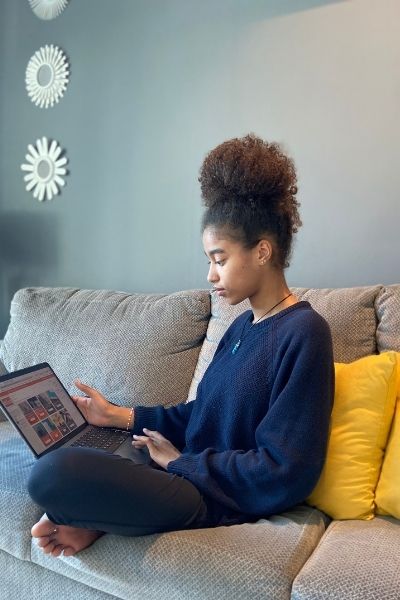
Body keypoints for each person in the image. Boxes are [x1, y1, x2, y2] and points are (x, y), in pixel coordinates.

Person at [29, 134, 334, 557]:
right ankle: (97, 520)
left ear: (262, 251)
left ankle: (91, 515)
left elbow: (287, 470)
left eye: (219, 258)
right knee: (67, 451)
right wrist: (117, 415)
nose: (210, 274)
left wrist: (178, 463)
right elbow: (200, 416)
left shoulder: (305, 332)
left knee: (52, 474)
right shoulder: (241, 327)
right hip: (181, 474)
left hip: (212, 497)